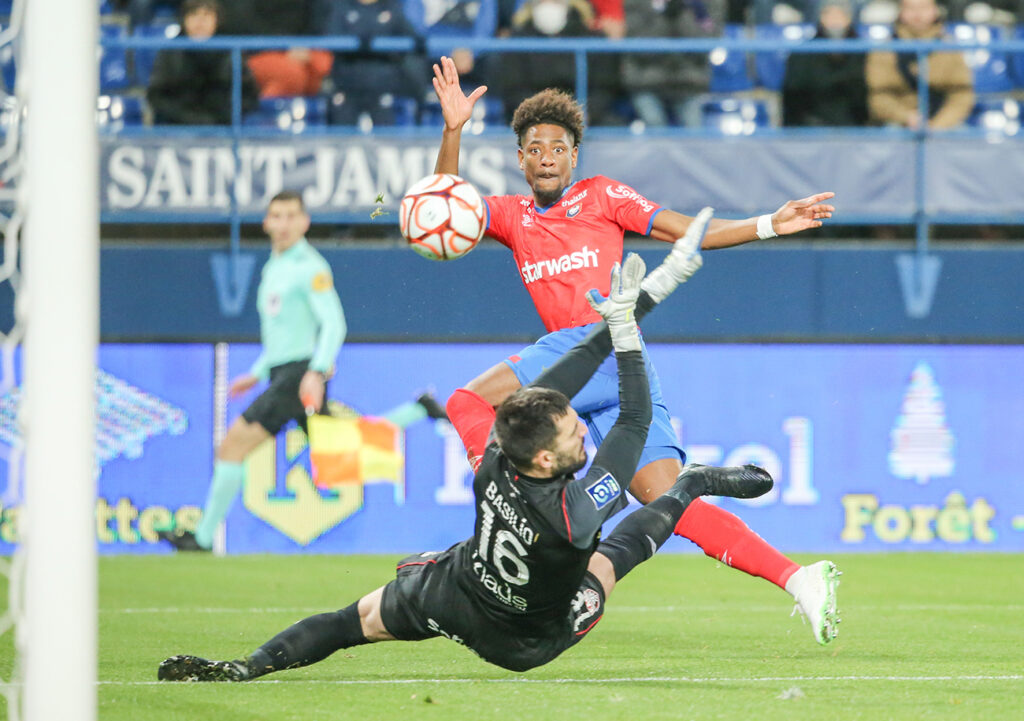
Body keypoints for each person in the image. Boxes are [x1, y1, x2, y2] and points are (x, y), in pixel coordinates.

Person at [157, 221, 774, 681]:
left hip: (457, 592)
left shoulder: (495, 459)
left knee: (353, 622)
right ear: (543, 460)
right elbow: (635, 417)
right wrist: (633, 324)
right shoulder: (576, 513)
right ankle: (695, 483)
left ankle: (243, 669)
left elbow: (565, 378)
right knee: (617, 554)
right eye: (572, 434)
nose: (583, 430)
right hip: (530, 639)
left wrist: (625, 313)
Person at [432, 56, 841, 644]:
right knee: (668, 499)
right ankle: (801, 578)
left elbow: (683, 230)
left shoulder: (601, 196)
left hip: (599, 346)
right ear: (520, 158)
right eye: (534, 148)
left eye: (558, 147)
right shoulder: (511, 215)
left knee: (467, 401)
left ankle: (503, 501)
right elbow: (442, 209)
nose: (546, 156)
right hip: (613, 370)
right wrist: (454, 131)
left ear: (574, 157)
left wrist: (769, 224)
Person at [159, 190, 446, 552]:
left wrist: (317, 370)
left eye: (291, 216)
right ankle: (418, 409)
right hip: (285, 372)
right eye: (276, 216)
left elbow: (334, 324)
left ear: (305, 222)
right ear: (266, 222)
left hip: (299, 376)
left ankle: (202, 539)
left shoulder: (311, 267)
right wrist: (259, 371)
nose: (283, 224)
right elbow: (283, 336)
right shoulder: (274, 266)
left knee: (232, 448)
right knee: (343, 452)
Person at [865, 0, 974, 131]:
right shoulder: (885, 50)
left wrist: (938, 125)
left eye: (924, 8)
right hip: (898, 124)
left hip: (944, 124)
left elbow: (961, 95)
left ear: (935, 10)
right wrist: (906, 118)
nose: (917, 14)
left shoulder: (950, 48)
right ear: (900, 11)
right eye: (910, 8)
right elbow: (879, 96)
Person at [146, 0, 260, 125]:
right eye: (194, 14)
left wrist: (220, 117)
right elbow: (156, 96)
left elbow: (249, 97)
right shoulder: (169, 52)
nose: (200, 21)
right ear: (184, 19)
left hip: (222, 131)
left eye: (206, 15)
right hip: (176, 130)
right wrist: (187, 118)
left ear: (217, 20)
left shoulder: (232, 52)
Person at [622, 0, 725, 128]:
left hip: (688, 80)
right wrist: (661, 13)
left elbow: (707, 42)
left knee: (695, 135)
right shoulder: (637, 3)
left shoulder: (703, 4)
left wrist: (682, 14)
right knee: (655, 130)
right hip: (646, 79)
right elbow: (637, 44)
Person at [783, 0, 868, 127]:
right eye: (829, 15)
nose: (835, 21)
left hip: (855, 126)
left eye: (840, 15)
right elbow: (794, 96)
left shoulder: (864, 52)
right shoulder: (802, 52)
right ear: (821, 17)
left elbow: (864, 95)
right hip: (811, 127)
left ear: (849, 18)